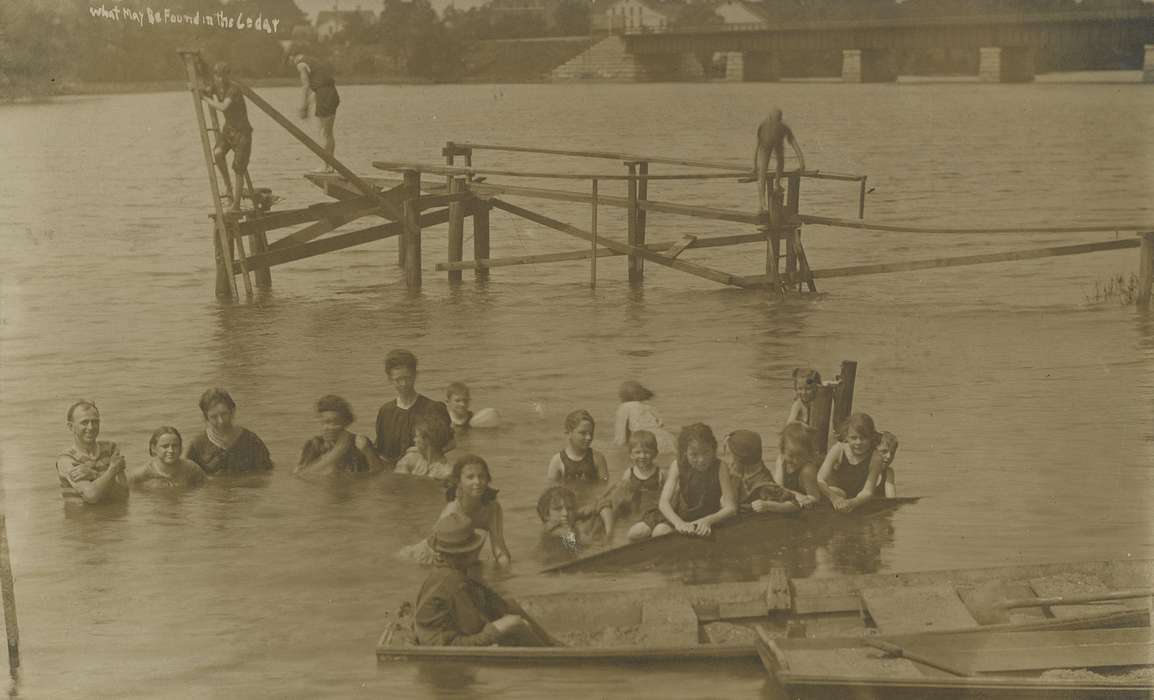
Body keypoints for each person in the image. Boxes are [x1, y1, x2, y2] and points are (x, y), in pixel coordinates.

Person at [413, 511, 551, 647]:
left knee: (510, 605)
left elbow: (487, 598)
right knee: (515, 624)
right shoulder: (453, 581)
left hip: (440, 633)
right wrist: (503, 626)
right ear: (466, 553)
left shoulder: (451, 571)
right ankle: (548, 654)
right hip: (445, 643)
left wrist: (500, 607)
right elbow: (474, 627)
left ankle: (552, 645)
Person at [399, 454, 512, 568]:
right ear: (458, 482)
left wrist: (506, 576)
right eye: (470, 477)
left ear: (488, 479)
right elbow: (441, 555)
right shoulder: (453, 511)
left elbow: (499, 548)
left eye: (481, 476)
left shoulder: (493, 508)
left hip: (460, 559)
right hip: (428, 557)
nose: (477, 481)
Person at [652, 423, 736, 537]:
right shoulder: (677, 465)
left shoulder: (721, 467)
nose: (701, 460)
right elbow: (663, 503)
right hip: (683, 519)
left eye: (706, 452)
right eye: (694, 455)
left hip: (710, 520)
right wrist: (679, 523)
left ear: (713, 449)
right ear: (685, 453)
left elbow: (731, 508)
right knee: (659, 531)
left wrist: (707, 521)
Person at [374, 349, 452, 465]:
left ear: (416, 375)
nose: (404, 384)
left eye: (408, 378)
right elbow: (381, 451)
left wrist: (420, 454)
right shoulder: (385, 412)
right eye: (398, 379)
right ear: (390, 379)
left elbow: (452, 443)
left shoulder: (433, 408)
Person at [587, 430, 663, 541]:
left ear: (655, 453)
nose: (642, 456)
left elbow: (666, 497)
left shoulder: (660, 473)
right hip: (634, 511)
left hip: (652, 511)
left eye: (647, 452)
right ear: (631, 455)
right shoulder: (629, 472)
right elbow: (621, 495)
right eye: (637, 452)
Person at [200, 61, 252, 212]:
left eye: (223, 76)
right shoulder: (217, 86)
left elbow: (223, 107)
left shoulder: (234, 89)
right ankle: (228, 188)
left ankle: (235, 206)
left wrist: (206, 99)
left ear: (228, 75)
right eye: (218, 76)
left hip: (242, 132)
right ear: (215, 76)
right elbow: (207, 89)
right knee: (217, 153)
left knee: (238, 169)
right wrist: (198, 89)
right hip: (228, 130)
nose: (221, 80)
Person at [185, 388, 273, 474]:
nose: (221, 421)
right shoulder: (197, 446)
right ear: (205, 418)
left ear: (232, 411)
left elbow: (266, 475)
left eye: (224, 414)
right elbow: (189, 479)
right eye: (214, 417)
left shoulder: (252, 441)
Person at [56, 400, 129, 504]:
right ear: (71, 427)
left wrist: (94, 475)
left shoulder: (110, 448)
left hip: (113, 519)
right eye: (84, 422)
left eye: (95, 422)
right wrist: (112, 470)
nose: (91, 427)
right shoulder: (66, 459)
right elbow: (91, 496)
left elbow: (123, 494)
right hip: (82, 519)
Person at [295, 395, 381, 476]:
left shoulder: (360, 443)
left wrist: (367, 451)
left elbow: (379, 472)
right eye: (326, 422)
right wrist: (338, 451)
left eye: (336, 423)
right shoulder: (314, 444)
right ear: (320, 422)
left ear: (346, 422)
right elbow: (300, 474)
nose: (330, 427)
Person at [817, 412, 886, 513]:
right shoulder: (838, 449)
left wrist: (852, 503)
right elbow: (820, 479)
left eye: (863, 438)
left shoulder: (876, 458)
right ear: (846, 437)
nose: (858, 442)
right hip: (837, 494)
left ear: (871, 437)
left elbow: (868, 491)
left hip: (859, 498)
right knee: (838, 492)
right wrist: (834, 497)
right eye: (853, 438)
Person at [288, 46, 339, 171]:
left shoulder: (300, 64)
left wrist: (302, 106)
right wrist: (307, 106)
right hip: (332, 93)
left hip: (324, 95)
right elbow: (317, 88)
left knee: (323, 133)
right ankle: (330, 165)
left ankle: (325, 165)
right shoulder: (313, 61)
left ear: (292, 57)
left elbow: (305, 86)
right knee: (328, 133)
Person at [724, 430, 798, 514]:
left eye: (731, 455)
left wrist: (769, 505)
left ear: (738, 460)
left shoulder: (764, 485)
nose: (730, 461)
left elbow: (794, 505)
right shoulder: (734, 473)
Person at [753, 108, 806, 214]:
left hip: (767, 144)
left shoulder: (770, 126)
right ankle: (773, 189)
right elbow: (795, 146)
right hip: (767, 144)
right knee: (774, 164)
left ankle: (763, 202)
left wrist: (754, 165)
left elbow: (757, 148)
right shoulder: (777, 126)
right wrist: (802, 163)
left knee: (764, 171)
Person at [129, 426, 206, 489]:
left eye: (175, 446)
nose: (171, 450)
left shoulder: (191, 469)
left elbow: (206, 488)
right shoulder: (140, 474)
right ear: (154, 448)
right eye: (165, 446)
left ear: (181, 448)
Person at [612, 380, 676, 455]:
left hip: (647, 440)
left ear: (622, 396)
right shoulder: (648, 407)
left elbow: (620, 438)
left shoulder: (624, 408)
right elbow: (660, 424)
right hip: (669, 439)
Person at [545, 410, 609, 483]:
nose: (589, 437)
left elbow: (604, 487)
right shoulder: (557, 461)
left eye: (591, 433)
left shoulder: (598, 458)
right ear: (569, 433)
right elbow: (551, 490)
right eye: (583, 433)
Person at [769, 422, 823, 509]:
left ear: (808, 453)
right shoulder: (781, 460)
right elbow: (778, 485)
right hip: (794, 498)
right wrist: (796, 495)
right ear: (782, 451)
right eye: (791, 455)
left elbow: (815, 498)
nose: (795, 460)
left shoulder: (807, 470)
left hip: (813, 501)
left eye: (800, 455)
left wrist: (804, 499)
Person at [537, 486, 606, 552]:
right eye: (558, 509)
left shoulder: (556, 522)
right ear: (546, 514)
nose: (565, 513)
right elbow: (576, 549)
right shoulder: (561, 531)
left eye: (569, 508)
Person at [876, 431, 900, 497]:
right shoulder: (860, 469)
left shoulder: (888, 473)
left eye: (892, 453)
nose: (889, 456)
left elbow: (891, 500)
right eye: (884, 451)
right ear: (873, 451)